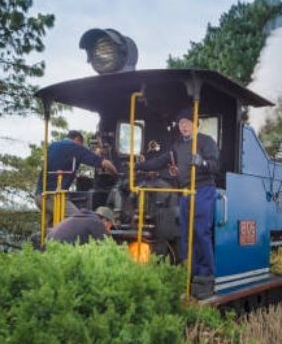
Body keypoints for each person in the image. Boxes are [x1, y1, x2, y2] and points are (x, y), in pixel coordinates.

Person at [138, 107, 219, 294]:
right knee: (185, 234)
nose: (183, 127)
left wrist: (202, 162)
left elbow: (215, 165)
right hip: (185, 192)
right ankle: (188, 272)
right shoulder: (177, 146)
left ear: (194, 124)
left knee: (201, 232)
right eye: (181, 123)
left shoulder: (206, 142)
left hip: (203, 190)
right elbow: (160, 160)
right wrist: (139, 166)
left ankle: (206, 276)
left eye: (186, 123)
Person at [35, 130, 118, 223]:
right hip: (54, 197)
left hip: (40, 196)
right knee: (80, 221)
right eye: (81, 144)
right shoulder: (75, 147)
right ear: (78, 139)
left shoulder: (53, 146)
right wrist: (116, 174)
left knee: (51, 230)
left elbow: (59, 163)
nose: (82, 146)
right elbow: (105, 163)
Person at [47, 206, 117, 245]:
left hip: (50, 245)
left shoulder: (80, 218)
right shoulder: (97, 223)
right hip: (61, 250)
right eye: (110, 226)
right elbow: (107, 248)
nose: (109, 229)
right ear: (105, 220)